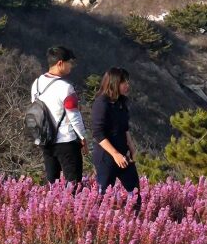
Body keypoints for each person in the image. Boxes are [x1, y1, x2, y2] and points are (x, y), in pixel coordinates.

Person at [31, 46, 88, 185]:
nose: (71, 66)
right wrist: (82, 137)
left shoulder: (36, 84)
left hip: (45, 140)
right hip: (66, 141)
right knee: (73, 184)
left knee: (53, 183)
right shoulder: (66, 88)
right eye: (70, 63)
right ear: (60, 63)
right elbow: (74, 115)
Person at [90, 67, 141, 207]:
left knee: (135, 193)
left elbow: (125, 128)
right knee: (104, 196)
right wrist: (115, 154)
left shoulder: (121, 102)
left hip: (124, 154)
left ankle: (134, 217)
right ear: (114, 83)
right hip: (106, 157)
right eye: (124, 82)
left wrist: (131, 146)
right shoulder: (101, 103)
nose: (127, 85)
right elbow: (98, 133)